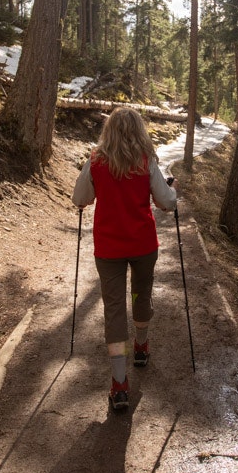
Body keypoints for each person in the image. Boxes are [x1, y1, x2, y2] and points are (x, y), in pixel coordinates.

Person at [72, 106, 177, 411]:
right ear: (140, 130)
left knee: (114, 311)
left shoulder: (96, 162)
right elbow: (167, 202)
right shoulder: (147, 161)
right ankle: (141, 346)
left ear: (109, 131)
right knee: (141, 297)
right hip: (143, 245)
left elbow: (80, 199)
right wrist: (173, 193)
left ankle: (119, 384)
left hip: (109, 250)